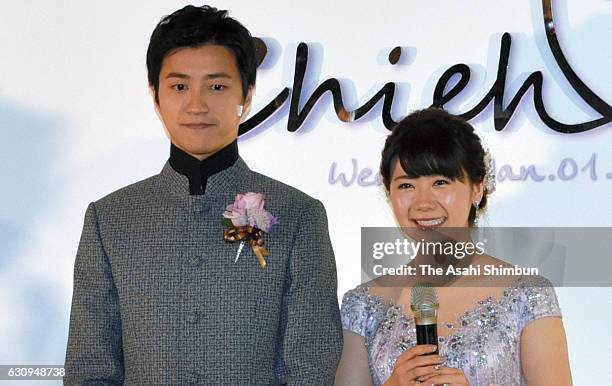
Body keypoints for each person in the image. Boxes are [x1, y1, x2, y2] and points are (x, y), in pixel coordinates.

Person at [64, 5, 342, 385]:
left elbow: (311, 364)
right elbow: (90, 369)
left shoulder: (298, 214)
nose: (197, 105)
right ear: (155, 95)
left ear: (246, 94)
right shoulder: (110, 218)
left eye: (217, 86)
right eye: (179, 86)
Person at [335, 108, 572, 385]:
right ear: (389, 192)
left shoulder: (527, 295)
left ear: (477, 188)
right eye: (407, 186)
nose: (423, 202)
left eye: (440, 182)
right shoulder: (363, 305)